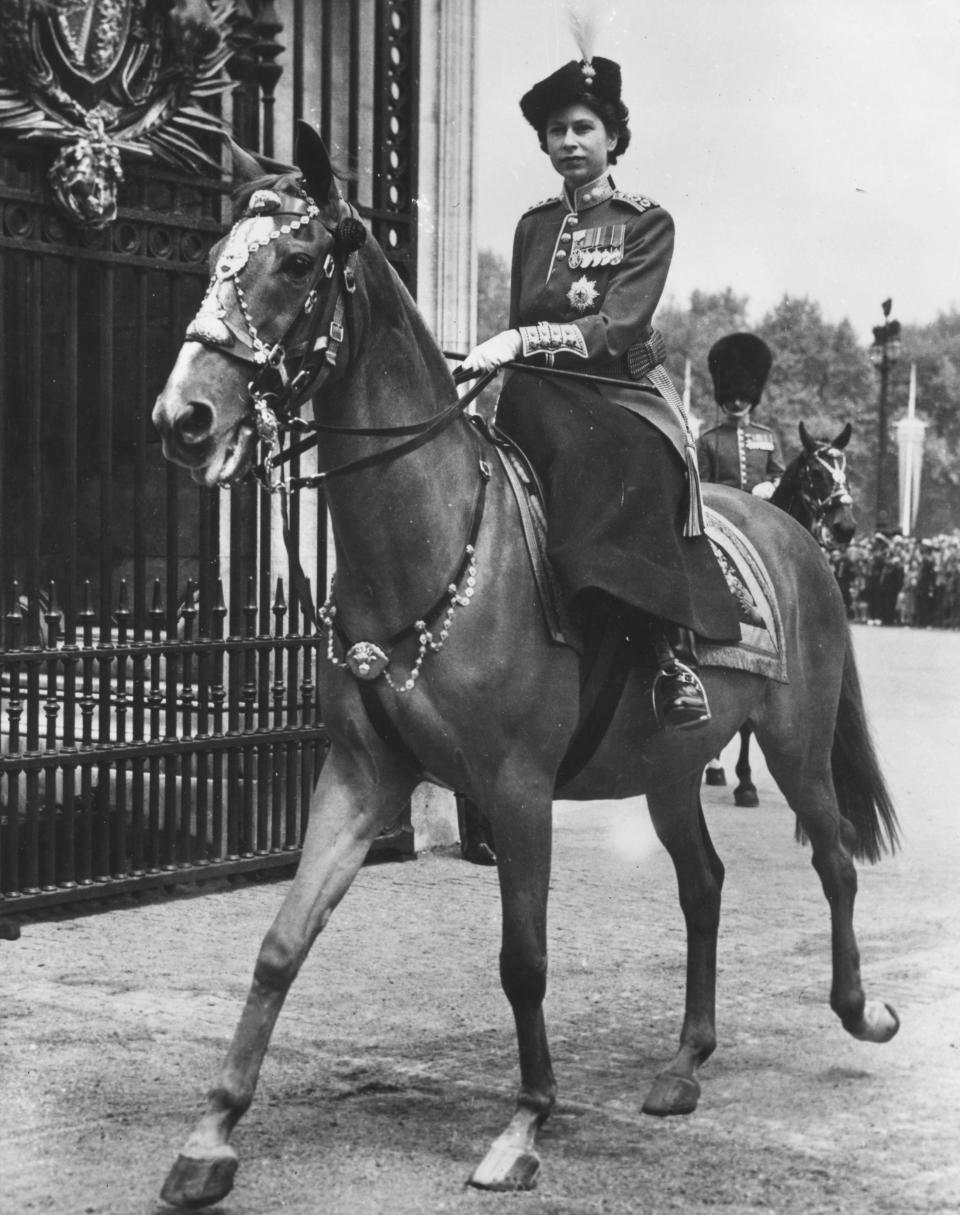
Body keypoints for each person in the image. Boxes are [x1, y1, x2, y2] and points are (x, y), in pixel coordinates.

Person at [461, 47, 740, 729]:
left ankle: (664, 652)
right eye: (556, 131)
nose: (568, 143)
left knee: (629, 464)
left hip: (620, 392)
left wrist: (518, 344)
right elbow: (519, 323)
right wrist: (475, 376)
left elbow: (616, 328)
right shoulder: (534, 225)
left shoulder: (645, 220)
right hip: (535, 392)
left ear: (614, 137)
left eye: (583, 129)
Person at [697, 334, 784, 497]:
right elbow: (702, 486)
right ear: (723, 399)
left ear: (752, 399)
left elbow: (779, 476)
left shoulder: (767, 437)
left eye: (743, 398)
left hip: (762, 510)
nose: (736, 403)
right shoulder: (707, 441)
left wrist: (771, 487)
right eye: (730, 398)